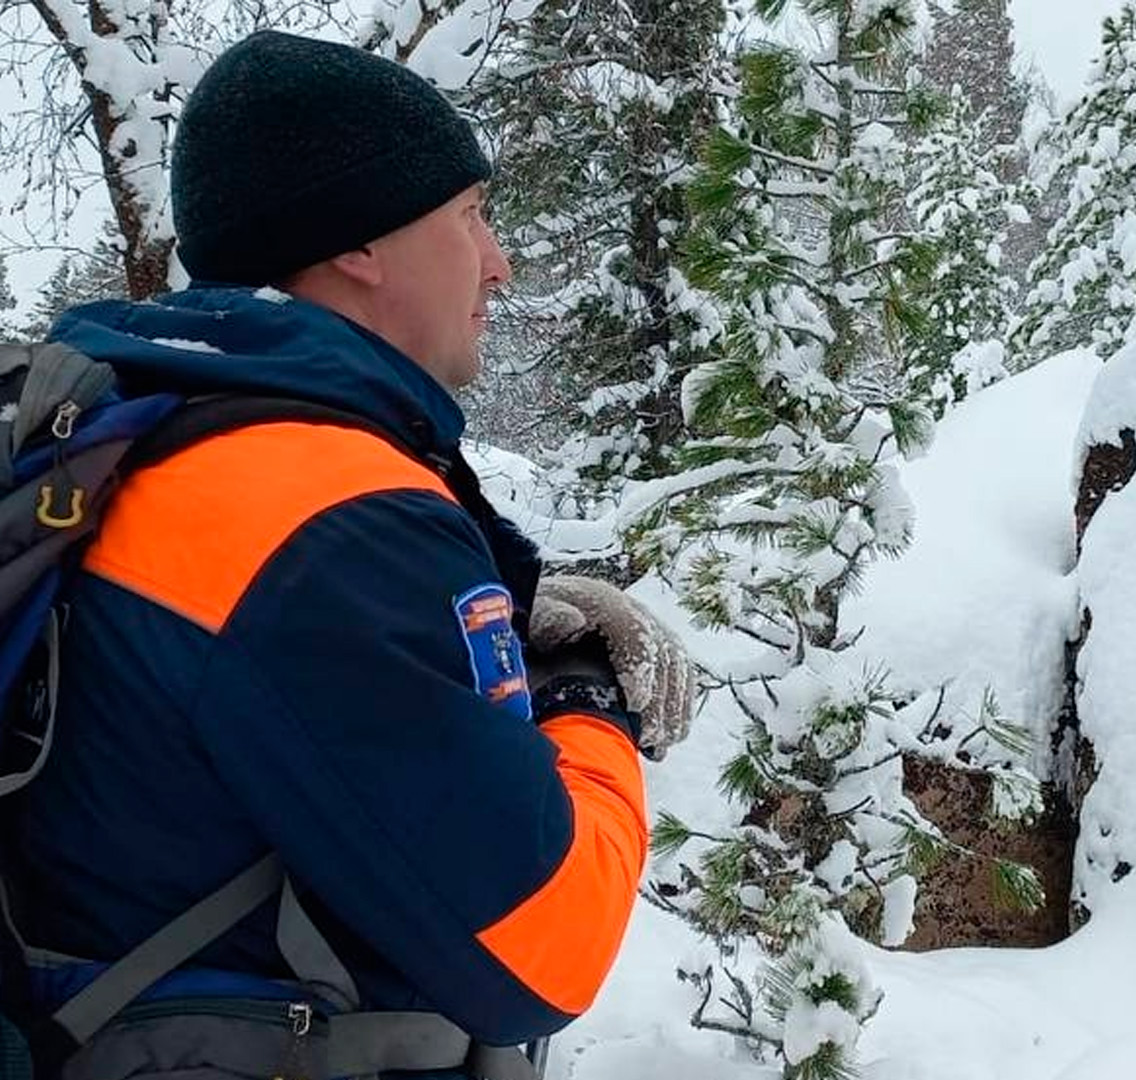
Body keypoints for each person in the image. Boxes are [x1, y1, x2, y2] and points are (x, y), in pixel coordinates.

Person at [0, 29, 691, 1078]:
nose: (499, 263)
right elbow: (547, 948)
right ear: (360, 247)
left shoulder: (170, 437)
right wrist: (588, 701)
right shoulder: (322, 519)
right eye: (470, 217)